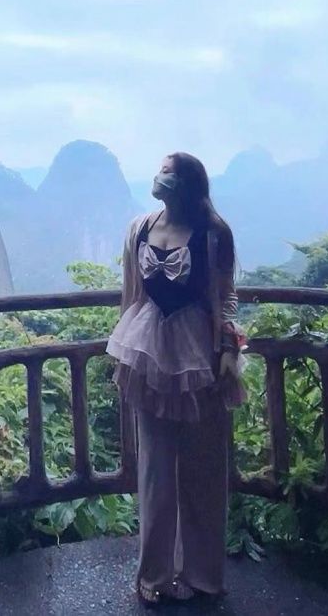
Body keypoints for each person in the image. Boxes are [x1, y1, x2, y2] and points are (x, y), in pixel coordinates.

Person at [106, 152, 248, 607]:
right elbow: (131, 291)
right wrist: (125, 349)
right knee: (155, 470)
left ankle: (203, 575)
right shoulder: (140, 229)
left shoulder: (213, 234)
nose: (159, 176)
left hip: (199, 354)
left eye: (167, 171)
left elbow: (225, 296)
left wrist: (228, 348)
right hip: (148, 350)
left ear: (186, 182)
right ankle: (154, 575)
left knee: (204, 466)